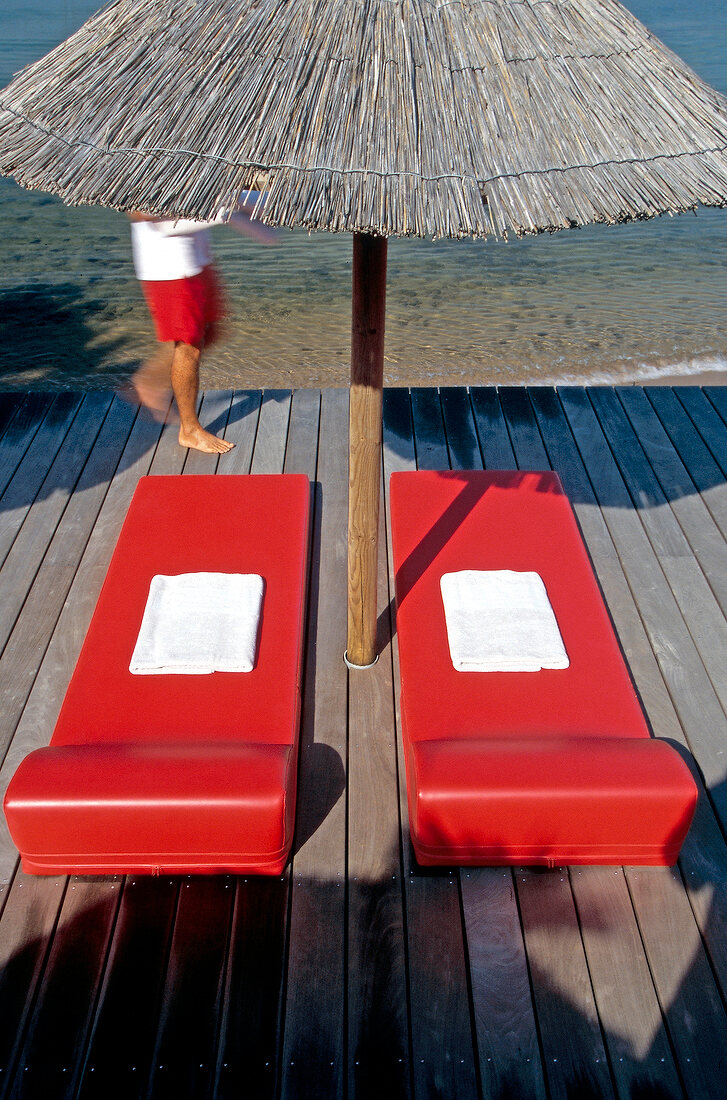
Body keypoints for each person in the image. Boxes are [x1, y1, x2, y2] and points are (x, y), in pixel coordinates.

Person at [127, 198, 275, 453]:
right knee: (189, 347)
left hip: (196, 256)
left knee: (213, 332)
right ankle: (190, 430)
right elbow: (140, 213)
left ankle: (149, 379)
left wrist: (245, 205)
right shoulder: (141, 165)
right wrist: (224, 215)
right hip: (167, 267)